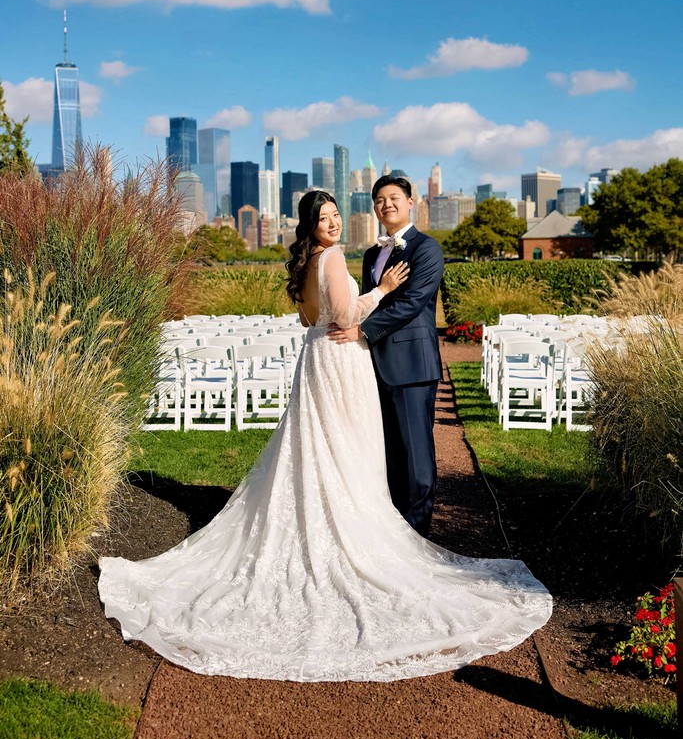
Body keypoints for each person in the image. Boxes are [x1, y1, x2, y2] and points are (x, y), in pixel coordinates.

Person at [98, 190, 551, 682]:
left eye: (337, 216)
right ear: (311, 224)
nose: (334, 223)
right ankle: (360, 533)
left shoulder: (307, 263)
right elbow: (345, 316)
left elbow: (309, 318)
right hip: (341, 360)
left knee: (321, 447)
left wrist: (372, 300)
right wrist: (380, 291)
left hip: (318, 359)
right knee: (345, 448)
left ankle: (353, 518)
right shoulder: (334, 257)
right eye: (325, 217)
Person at [328, 176, 442, 536]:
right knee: (388, 453)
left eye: (394, 197)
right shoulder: (371, 255)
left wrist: (362, 331)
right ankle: (395, 536)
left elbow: (412, 303)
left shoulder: (426, 249)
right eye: (379, 200)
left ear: (412, 202)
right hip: (374, 365)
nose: (386, 204)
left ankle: (419, 538)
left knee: (416, 458)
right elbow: (370, 299)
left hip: (411, 365)